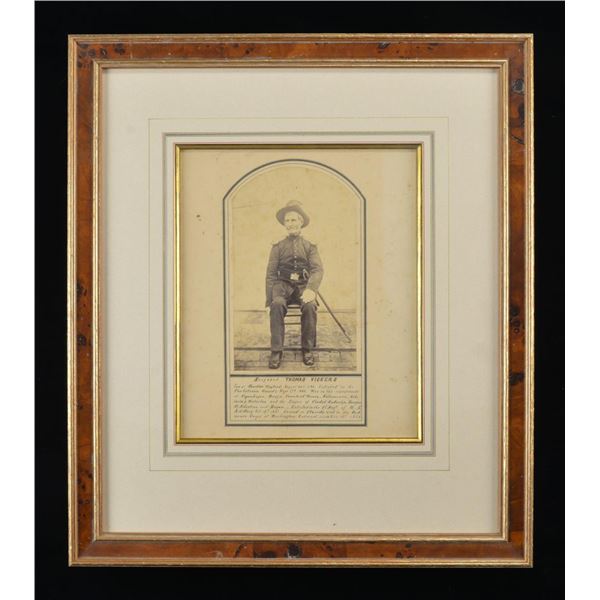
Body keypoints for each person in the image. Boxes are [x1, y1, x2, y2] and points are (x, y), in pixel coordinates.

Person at [265, 201, 324, 369]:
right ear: (284, 224)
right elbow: (270, 274)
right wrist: (268, 301)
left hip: (303, 287)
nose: (290, 224)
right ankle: (276, 351)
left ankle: (307, 349)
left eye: (293, 220)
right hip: (282, 286)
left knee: (310, 306)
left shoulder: (310, 245)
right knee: (277, 305)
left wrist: (311, 289)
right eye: (287, 221)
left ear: (301, 222)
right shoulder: (277, 246)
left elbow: (317, 269)